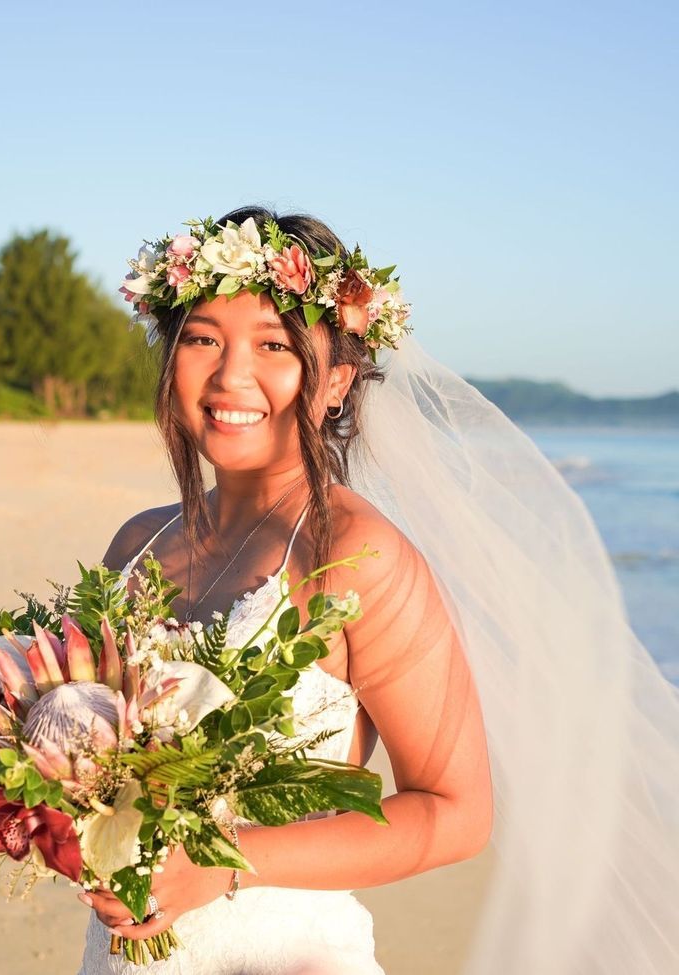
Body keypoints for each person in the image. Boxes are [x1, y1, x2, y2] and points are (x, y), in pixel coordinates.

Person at [77, 206, 679, 975]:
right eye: (202, 338)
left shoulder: (360, 557)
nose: (231, 374)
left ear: (334, 381)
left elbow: (457, 814)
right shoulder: (137, 544)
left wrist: (223, 862)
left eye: (272, 345)